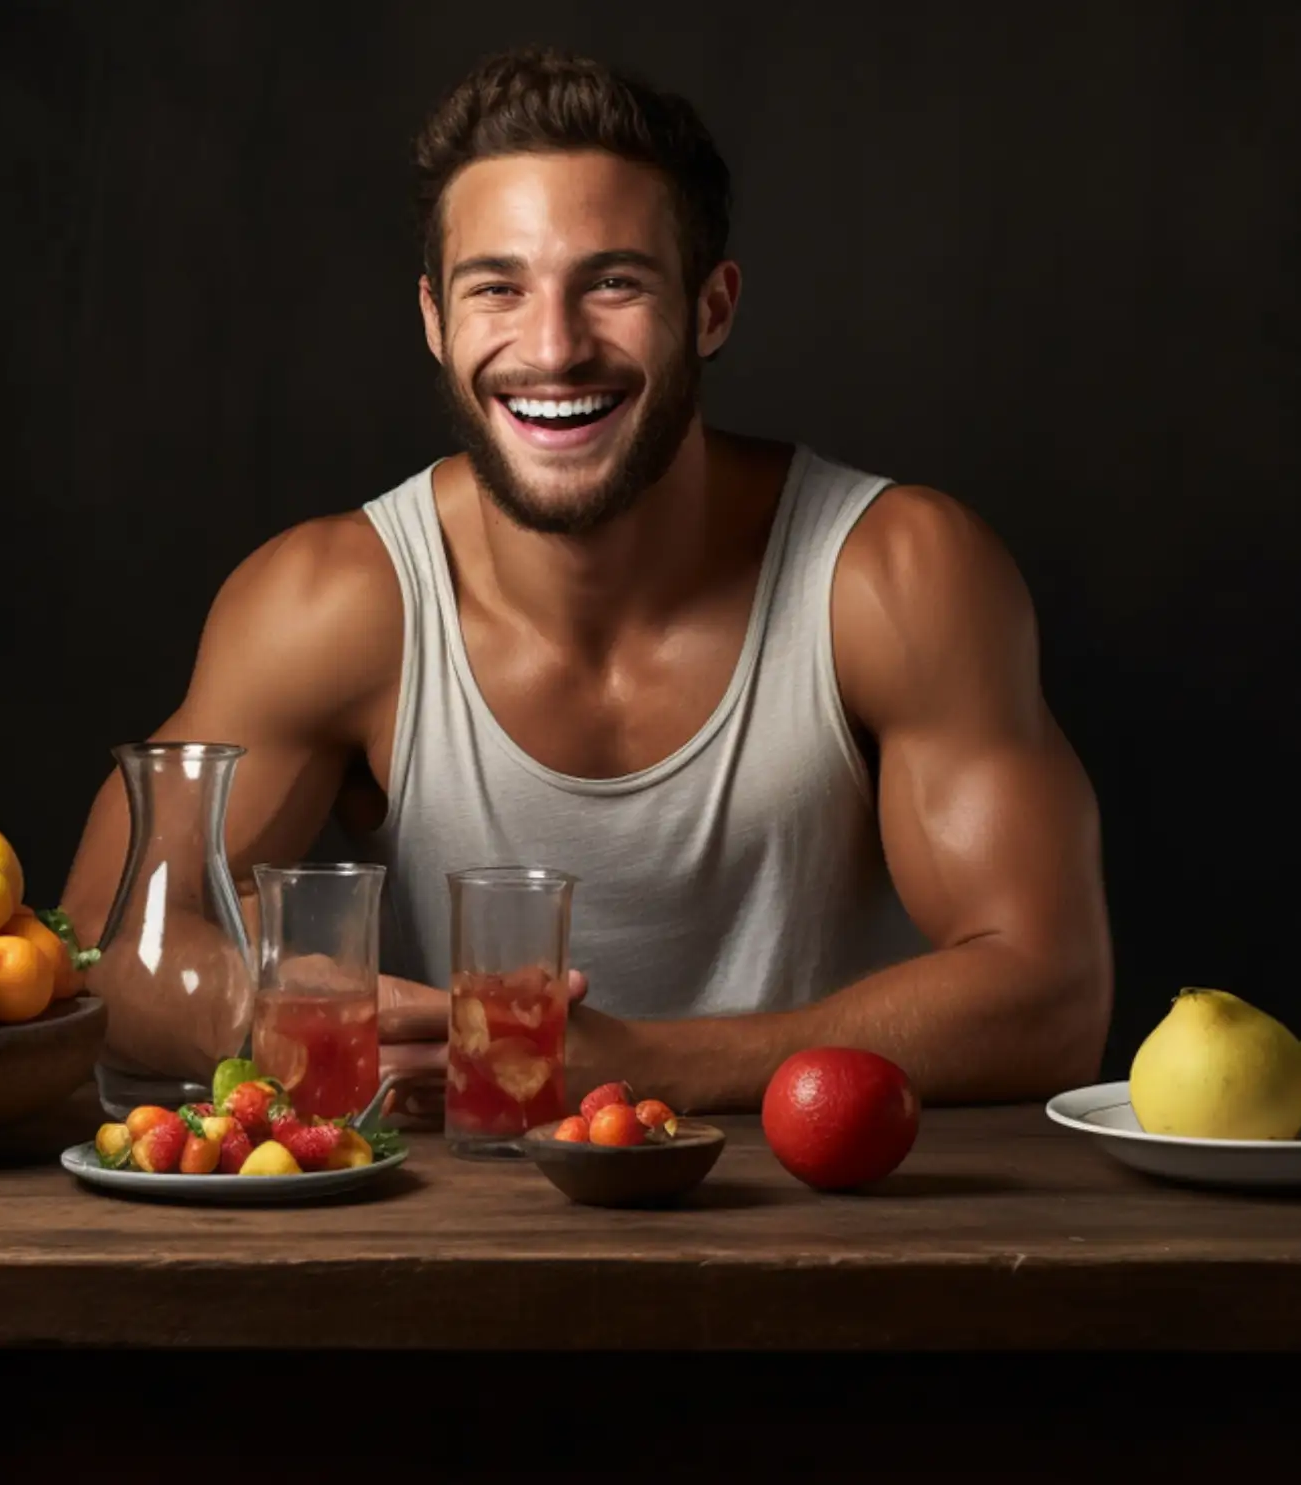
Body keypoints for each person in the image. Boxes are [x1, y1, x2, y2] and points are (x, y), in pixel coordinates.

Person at [62, 45, 1112, 1121]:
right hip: (461, 1240)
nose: (553, 347)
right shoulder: (330, 601)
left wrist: (640, 1068)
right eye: (497, 289)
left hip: (833, 1238)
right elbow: (101, 939)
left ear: (710, 308)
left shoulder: (895, 574)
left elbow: (1052, 995)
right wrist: (282, 1009)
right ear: (434, 320)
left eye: (611, 283)